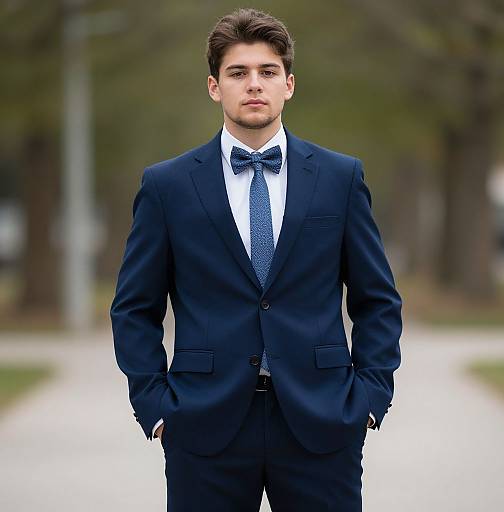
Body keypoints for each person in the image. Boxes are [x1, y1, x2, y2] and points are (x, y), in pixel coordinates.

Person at [110, 7, 402, 512]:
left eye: (267, 72)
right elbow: (134, 307)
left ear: (288, 84)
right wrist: (155, 407)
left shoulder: (340, 178)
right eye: (237, 73)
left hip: (322, 421)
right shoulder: (167, 187)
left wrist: (370, 400)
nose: (254, 85)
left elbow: (377, 299)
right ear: (213, 86)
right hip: (204, 426)